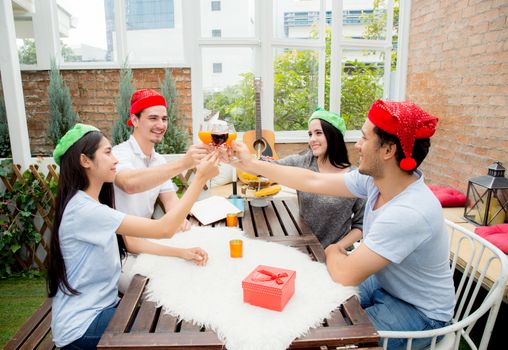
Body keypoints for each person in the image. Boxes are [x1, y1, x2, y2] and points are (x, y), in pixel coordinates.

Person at [231, 100, 454, 349]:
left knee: (333, 337)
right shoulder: (375, 181)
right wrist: (250, 164)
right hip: (384, 282)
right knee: (315, 300)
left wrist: (332, 250)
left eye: (364, 137)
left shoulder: (408, 212)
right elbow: (313, 181)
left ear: (388, 150)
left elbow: (344, 274)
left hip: (420, 311)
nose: (357, 145)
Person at [47, 123, 219, 349]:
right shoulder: (84, 210)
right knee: (169, 324)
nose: (115, 160)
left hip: (102, 309)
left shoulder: (90, 202)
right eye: (107, 153)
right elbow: (164, 228)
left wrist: (180, 252)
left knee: (167, 309)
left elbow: (130, 241)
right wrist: (199, 180)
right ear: (85, 160)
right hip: (82, 327)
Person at [112, 88, 211, 293]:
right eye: (153, 118)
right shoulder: (118, 155)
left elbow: (170, 202)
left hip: (148, 241)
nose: (161, 125)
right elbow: (130, 184)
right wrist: (184, 163)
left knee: (202, 265)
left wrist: (179, 219)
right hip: (121, 255)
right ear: (135, 120)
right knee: (174, 283)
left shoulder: (159, 160)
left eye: (164, 118)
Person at [273, 108, 364, 248]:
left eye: (318, 133)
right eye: (310, 134)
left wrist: (336, 248)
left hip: (336, 255)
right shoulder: (304, 162)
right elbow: (273, 167)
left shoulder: (355, 178)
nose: (312, 139)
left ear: (334, 136)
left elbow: (361, 224)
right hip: (304, 247)